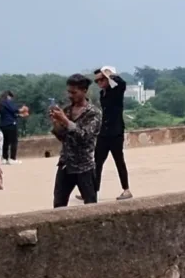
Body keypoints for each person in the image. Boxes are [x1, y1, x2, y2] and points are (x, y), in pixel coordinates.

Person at [50, 74, 102, 207]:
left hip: (84, 166)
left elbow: (84, 136)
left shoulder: (93, 113)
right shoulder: (67, 110)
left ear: (84, 91)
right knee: (59, 204)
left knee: (91, 205)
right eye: (69, 92)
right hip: (66, 164)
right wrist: (56, 123)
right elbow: (63, 137)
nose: (70, 95)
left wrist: (66, 121)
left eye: (74, 92)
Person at [92, 67, 132, 201]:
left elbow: (122, 84)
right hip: (104, 132)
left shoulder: (116, 91)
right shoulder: (102, 94)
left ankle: (126, 190)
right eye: (96, 81)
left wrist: (111, 75)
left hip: (116, 132)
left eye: (101, 79)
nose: (98, 83)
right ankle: (92, 191)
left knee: (119, 161)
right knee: (97, 162)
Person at [0, 91, 28, 165]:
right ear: (8, 96)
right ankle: (12, 159)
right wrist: (22, 109)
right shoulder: (6, 101)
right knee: (14, 141)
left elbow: (10, 114)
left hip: (3, 124)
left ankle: (4, 158)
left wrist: (20, 115)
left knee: (5, 142)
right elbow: (14, 110)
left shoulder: (1, 104)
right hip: (11, 124)